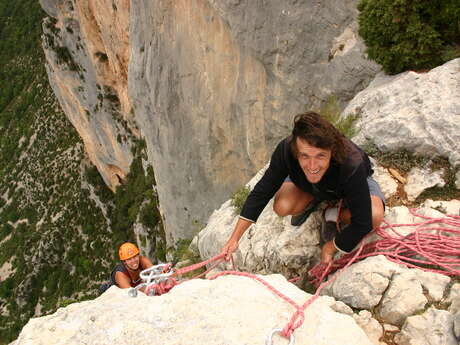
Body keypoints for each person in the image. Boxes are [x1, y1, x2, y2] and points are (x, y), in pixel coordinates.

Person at [220, 111, 385, 264]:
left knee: (374, 216)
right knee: (282, 206)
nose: (312, 165)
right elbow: (262, 192)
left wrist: (330, 248)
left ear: (332, 151)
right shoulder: (286, 150)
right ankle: (315, 199)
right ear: (296, 150)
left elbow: (362, 223)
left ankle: (335, 213)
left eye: (320, 156)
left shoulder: (351, 163)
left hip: (347, 186)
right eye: (304, 156)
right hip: (310, 184)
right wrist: (234, 239)